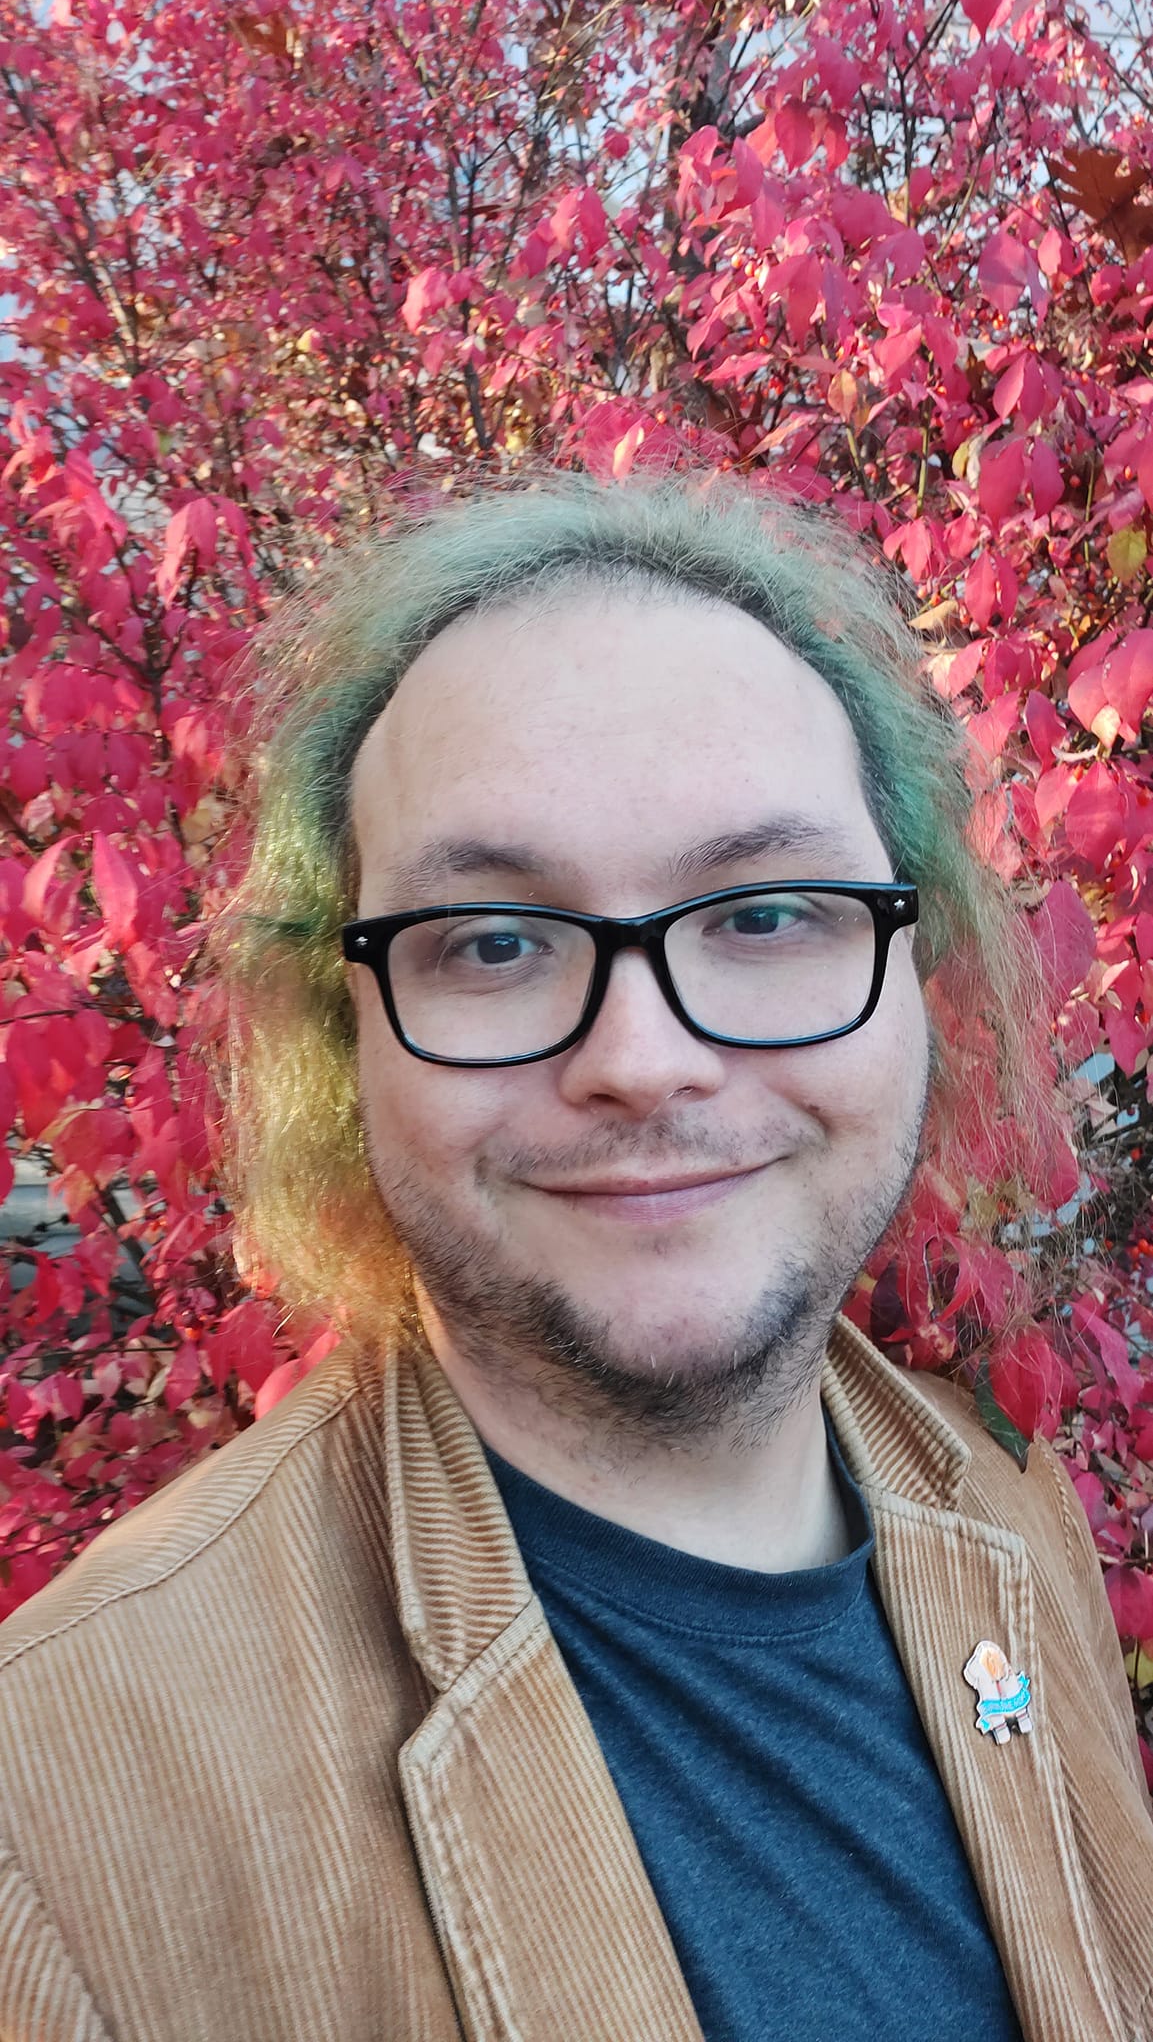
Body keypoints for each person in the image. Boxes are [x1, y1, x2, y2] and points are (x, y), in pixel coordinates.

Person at [0, 471, 1150, 2042]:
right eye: (490, 942)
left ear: (915, 974)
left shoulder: (1003, 1508)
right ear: (348, 1038)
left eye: (763, 914)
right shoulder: (55, 1820)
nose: (642, 1059)